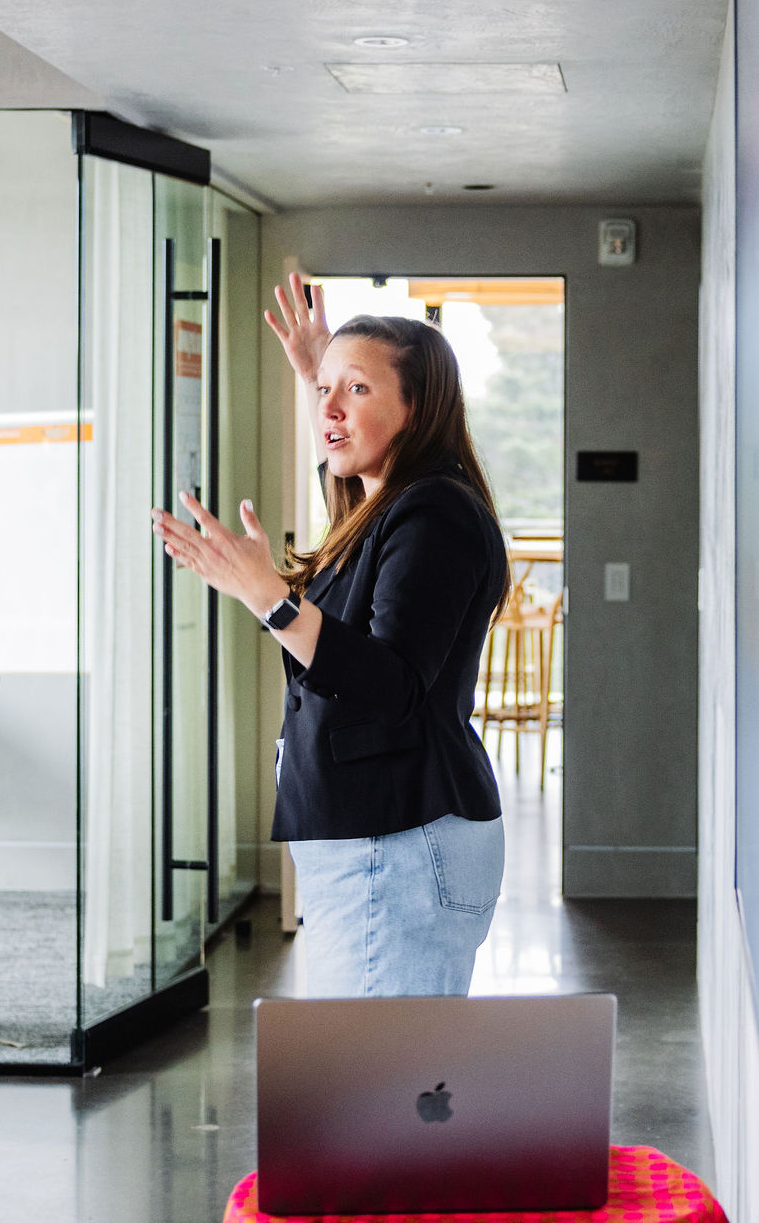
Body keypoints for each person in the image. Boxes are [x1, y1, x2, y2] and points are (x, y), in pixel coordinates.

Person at [151, 273, 510, 997]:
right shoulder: (392, 505)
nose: (330, 410)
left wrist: (271, 599)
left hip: (398, 844)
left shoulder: (434, 513)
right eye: (324, 394)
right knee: (384, 1085)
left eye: (359, 391)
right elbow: (359, 539)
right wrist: (324, 373)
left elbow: (392, 683)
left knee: (385, 1091)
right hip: (382, 840)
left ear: (418, 408)